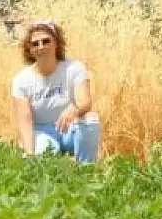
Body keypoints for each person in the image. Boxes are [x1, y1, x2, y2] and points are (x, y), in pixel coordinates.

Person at [10, 20, 101, 163]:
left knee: (90, 119)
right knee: (42, 160)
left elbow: (85, 102)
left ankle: (87, 168)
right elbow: (25, 122)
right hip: (42, 132)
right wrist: (30, 154)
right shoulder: (21, 80)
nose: (41, 47)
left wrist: (74, 110)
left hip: (71, 128)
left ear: (56, 43)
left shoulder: (74, 68)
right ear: (30, 50)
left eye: (46, 41)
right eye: (35, 44)